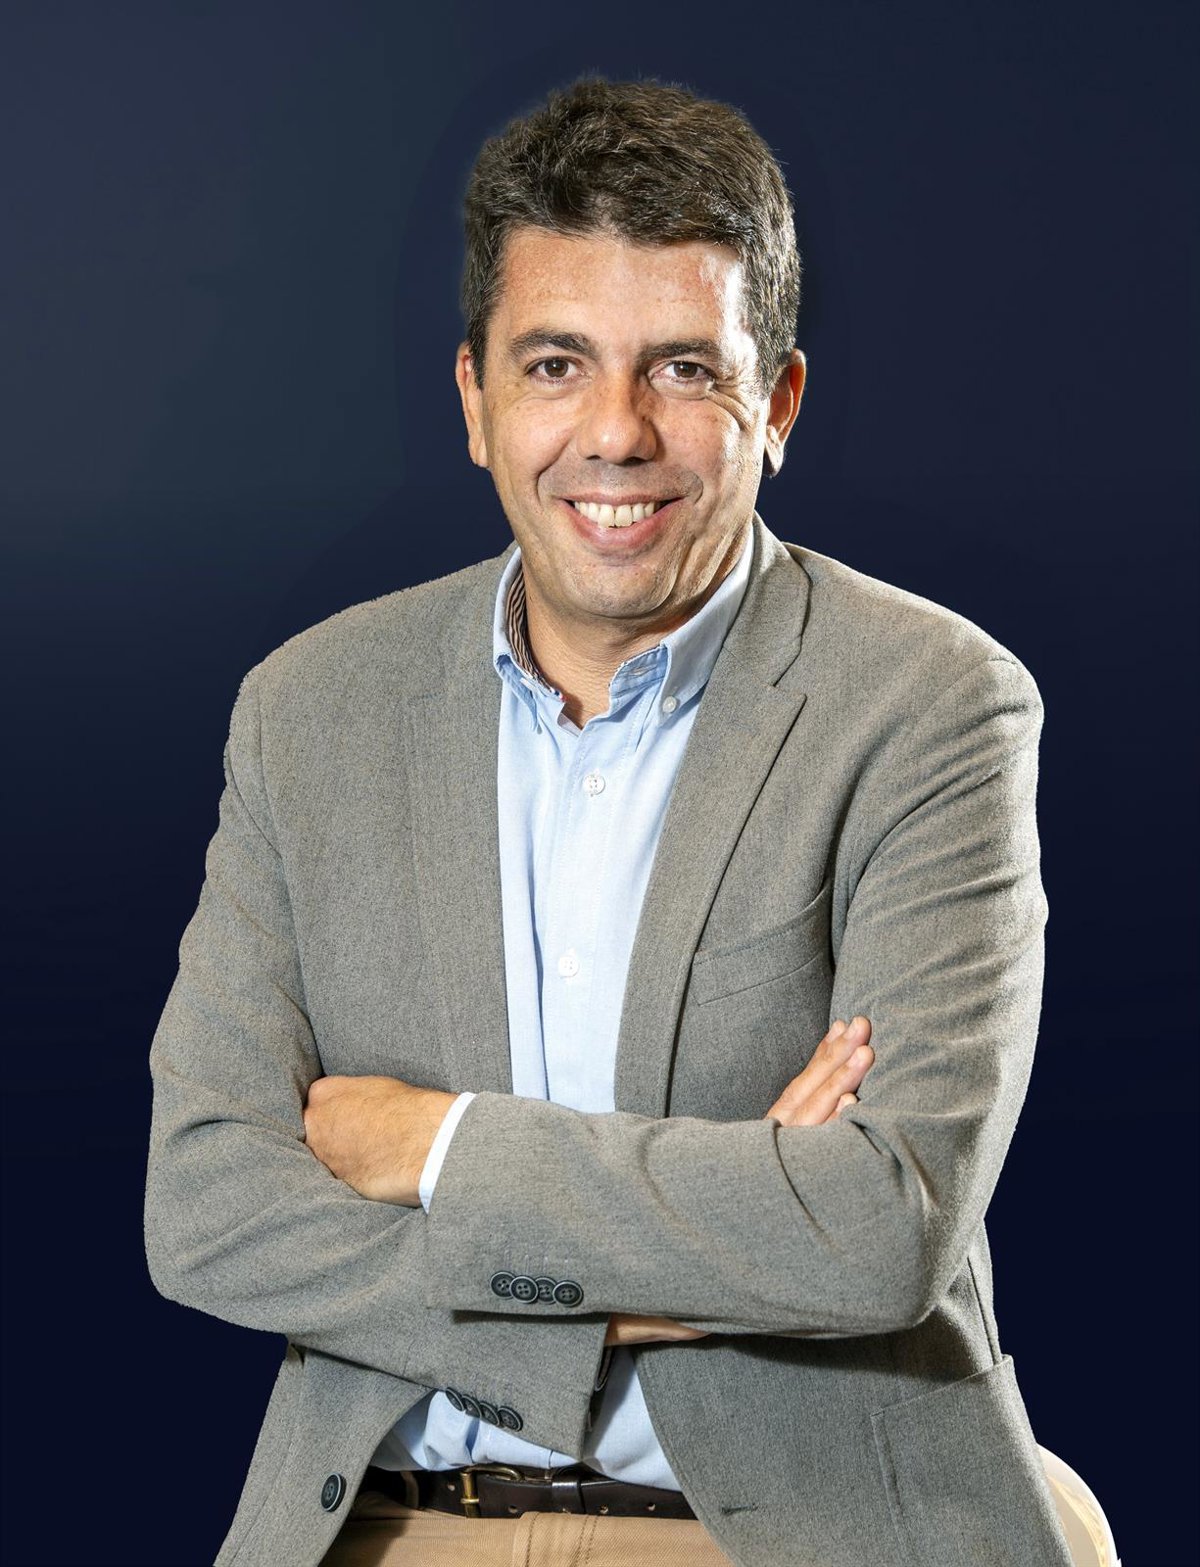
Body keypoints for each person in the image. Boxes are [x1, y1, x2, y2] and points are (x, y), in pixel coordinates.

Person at [145, 78, 1073, 1567]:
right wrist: (691, 1266)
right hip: (395, 1526)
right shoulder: (309, 712)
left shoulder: (932, 706)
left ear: (778, 405)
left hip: (789, 1539)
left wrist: (439, 1149)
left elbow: (882, 1223)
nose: (616, 433)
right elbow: (205, 1209)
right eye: (556, 364)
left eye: (684, 370)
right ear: (476, 400)